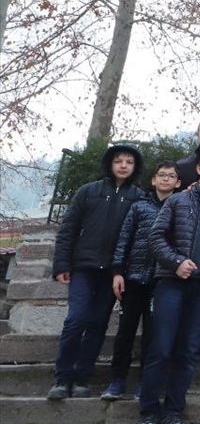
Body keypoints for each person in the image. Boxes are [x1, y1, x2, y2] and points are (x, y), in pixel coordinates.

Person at [134, 149, 200, 424]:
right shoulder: (178, 201)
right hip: (171, 284)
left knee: (190, 352)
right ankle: (148, 414)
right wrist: (176, 262)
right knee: (161, 348)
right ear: (199, 169)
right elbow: (155, 237)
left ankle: (173, 413)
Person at [48, 144, 143, 400]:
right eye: (118, 161)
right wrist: (61, 265)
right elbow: (68, 229)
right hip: (83, 267)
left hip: (112, 272)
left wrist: (121, 271)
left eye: (129, 162)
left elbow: (136, 238)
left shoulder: (137, 197)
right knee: (75, 319)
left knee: (98, 323)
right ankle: (61, 377)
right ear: (110, 164)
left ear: (135, 167)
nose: (123, 165)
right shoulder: (88, 191)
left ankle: (82, 377)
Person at [102, 161, 180, 401]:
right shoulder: (139, 207)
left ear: (178, 183)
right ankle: (117, 380)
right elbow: (124, 239)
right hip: (134, 278)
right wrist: (117, 271)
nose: (166, 179)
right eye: (162, 175)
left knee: (153, 334)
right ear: (153, 180)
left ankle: (145, 382)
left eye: (171, 176)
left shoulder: (181, 208)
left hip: (162, 280)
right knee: (125, 332)